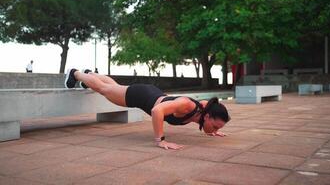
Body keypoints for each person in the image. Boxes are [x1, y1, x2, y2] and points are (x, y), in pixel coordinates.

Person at [64, 68, 230, 150]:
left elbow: (212, 108)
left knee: (115, 87)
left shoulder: (205, 111)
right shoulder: (187, 105)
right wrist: (160, 140)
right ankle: (76, 73)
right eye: (215, 126)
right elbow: (157, 111)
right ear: (207, 116)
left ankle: (90, 75)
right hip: (142, 96)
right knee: (104, 90)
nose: (214, 129)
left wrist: (212, 130)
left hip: (150, 93)